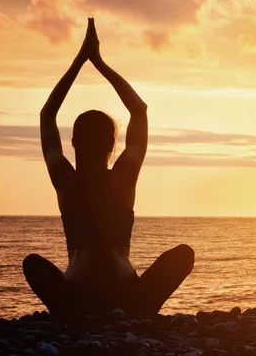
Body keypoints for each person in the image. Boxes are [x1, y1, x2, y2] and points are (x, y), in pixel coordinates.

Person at [22, 18, 194, 318]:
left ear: (73, 141)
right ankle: (137, 312)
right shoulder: (122, 180)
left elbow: (47, 115)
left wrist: (80, 61)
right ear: (112, 144)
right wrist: (99, 62)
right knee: (184, 256)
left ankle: (70, 314)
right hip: (127, 296)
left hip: (77, 296)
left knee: (32, 264)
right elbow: (139, 110)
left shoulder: (65, 181)